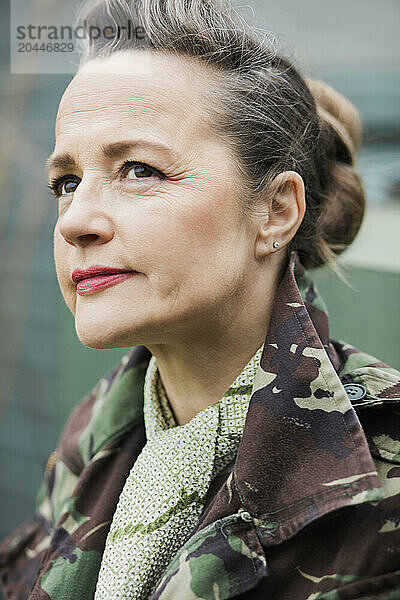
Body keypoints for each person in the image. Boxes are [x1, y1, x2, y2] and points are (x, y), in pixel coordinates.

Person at [1, 0, 399, 598]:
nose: (75, 220)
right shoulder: (97, 430)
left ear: (275, 211)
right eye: (66, 182)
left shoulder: (379, 485)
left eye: (139, 170)